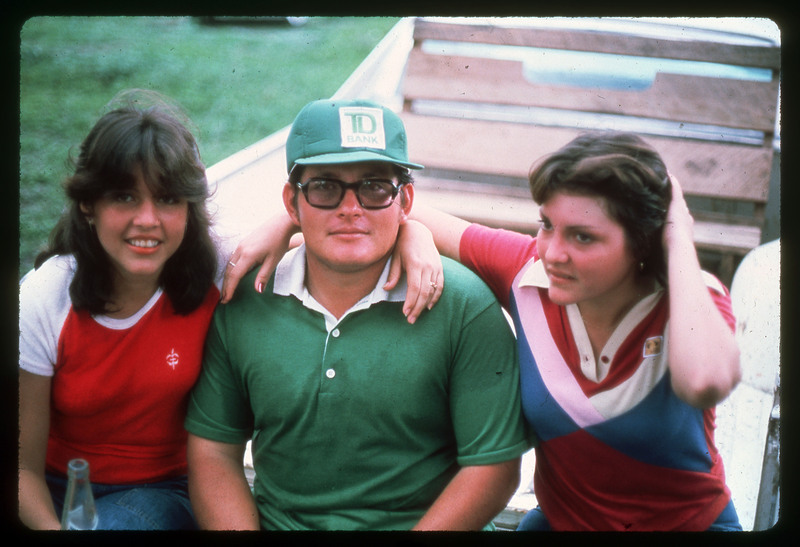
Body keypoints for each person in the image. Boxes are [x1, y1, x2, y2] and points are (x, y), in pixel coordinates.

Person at [229, 130, 743, 531]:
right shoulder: (528, 273)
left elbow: (704, 383)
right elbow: (385, 207)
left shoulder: (690, 299)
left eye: (583, 237)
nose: (553, 252)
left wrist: (678, 238)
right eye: (546, 224)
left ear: (644, 243)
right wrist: (290, 220)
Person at [17, 91, 441, 531]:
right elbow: (21, 469)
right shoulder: (47, 296)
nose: (147, 219)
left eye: (167, 200)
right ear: (88, 204)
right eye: (123, 198)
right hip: (50, 487)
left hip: (160, 492)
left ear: (189, 206)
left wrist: (415, 235)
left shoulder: (218, 268)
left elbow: (344, 239)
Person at [183, 98, 530, 531]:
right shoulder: (247, 298)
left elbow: (493, 469)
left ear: (404, 200)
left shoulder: (463, 306)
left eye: (374, 187)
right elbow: (213, 450)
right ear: (292, 203)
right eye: (326, 187)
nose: (351, 208)